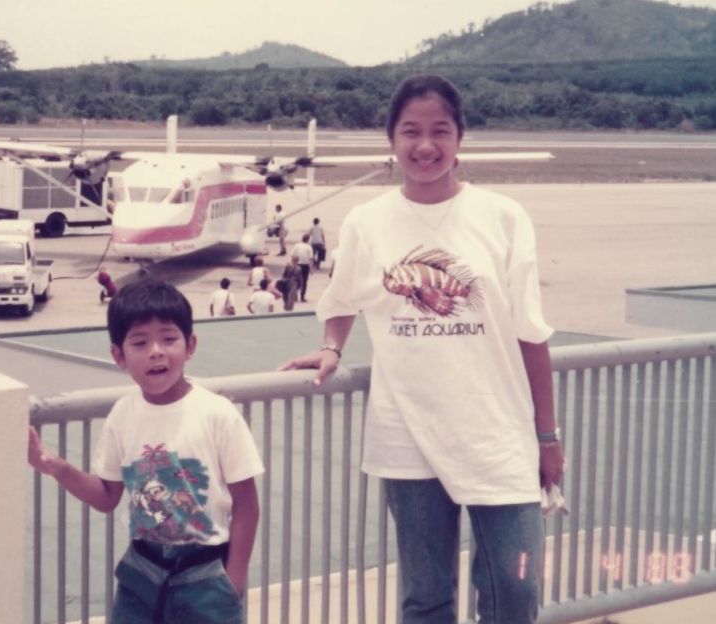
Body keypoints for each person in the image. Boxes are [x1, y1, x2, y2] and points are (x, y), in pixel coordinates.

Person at [280, 74, 563, 624]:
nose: (425, 145)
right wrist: (331, 346)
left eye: (440, 131)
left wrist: (547, 437)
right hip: (407, 435)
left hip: (497, 432)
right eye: (411, 131)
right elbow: (343, 298)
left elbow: (532, 332)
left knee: (514, 589)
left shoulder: (503, 216)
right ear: (391, 139)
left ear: (461, 139)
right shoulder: (367, 221)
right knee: (425, 596)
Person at [28, 281, 263, 624]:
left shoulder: (217, 414)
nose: (156, 351)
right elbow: (107, 496)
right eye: (140, 342)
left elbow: (247, 505)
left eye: (169, 339)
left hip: (207, 575)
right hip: (141, 571)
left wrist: (234, 580)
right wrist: (56, 467)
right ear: (118, 356)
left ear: (190, 345)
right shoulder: (123, 415)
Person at [290, 234, 315, 302]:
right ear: (308, 240)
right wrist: (311, 268)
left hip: (297, 264)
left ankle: (294, 295)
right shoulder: (309, 247)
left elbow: (292, 256)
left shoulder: (296, 245)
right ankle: (302, 297)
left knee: (295, 281)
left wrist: (292, 265)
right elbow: (311, 259)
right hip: (305, 266)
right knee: (304, 281)